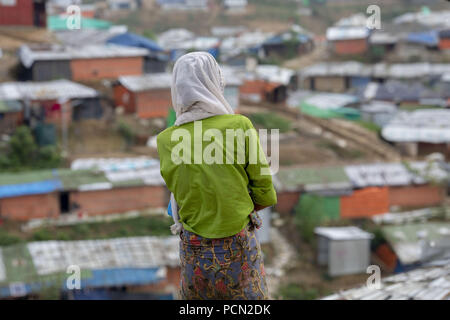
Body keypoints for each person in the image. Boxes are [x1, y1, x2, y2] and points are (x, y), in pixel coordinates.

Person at [157, 52, 277, 300]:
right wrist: (231, 207)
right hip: (238, 245)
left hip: (193, 250)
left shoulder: (166, 140)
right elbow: (265, 191)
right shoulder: (239, 125)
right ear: (215, 82)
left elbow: (180, 194)